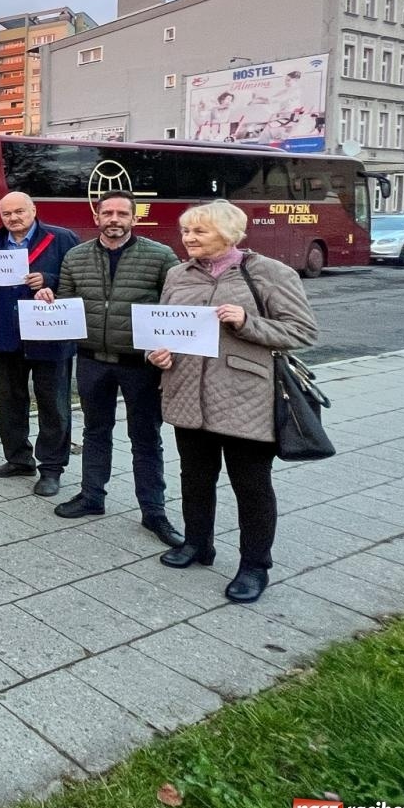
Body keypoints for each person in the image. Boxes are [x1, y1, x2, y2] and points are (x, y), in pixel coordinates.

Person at [147, 200, 318, 603]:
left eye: (199, 232)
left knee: (252, 486)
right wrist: (156, 353)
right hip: (186, 390)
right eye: (186, 231)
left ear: (228, 233)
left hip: (246, 396)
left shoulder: (269, 273)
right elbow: (163, 326)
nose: (188, 239)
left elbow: (303, 331)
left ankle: (254, 566)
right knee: (195, 477)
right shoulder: (177, 273)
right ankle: (197, 544)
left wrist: (247, 322)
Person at [38, 190, 184, 546]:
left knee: (145, 438)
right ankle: (92, 496)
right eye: (108, 213)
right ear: (97, 217)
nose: (114, 219)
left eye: (122, 213)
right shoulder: (76, 256)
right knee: (94, 431)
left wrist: (170, 350)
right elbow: (69, 301)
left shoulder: (160, 256)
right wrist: (50, 299)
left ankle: (154, 512)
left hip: (140, 364)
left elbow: (175, 305)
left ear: (134, 219)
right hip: (91, 359)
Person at [0, 191, 79, 496]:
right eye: (7, 214)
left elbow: (79, 280)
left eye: (19, 212)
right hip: (5, 336)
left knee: (53, 405)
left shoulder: (61, 239)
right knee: (10, 402)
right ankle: (18, 459)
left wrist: (49, 280)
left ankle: (51, 469)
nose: (13, 218)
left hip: (49, 336)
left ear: (33, 210)